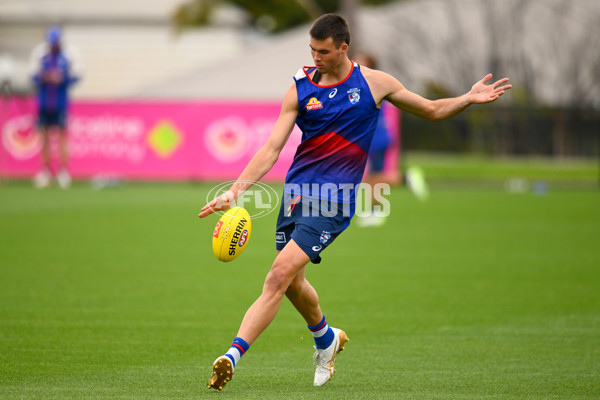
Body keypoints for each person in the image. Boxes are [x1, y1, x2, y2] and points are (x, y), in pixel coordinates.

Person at [199, 13, 511, 391]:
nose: (315, 57)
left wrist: (467, 98)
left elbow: (430, 110)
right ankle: (326, 339)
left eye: (323, 51)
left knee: (278, 275)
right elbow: (271, 147)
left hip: (333, 203)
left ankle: (231, 357)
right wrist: (237, 189)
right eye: (312, 50)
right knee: (294, 284)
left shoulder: (374, 83)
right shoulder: (300, 87)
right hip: (296, 197)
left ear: (343, 48)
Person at [30, 26, 82, 189]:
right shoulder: (40, 54)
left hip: (61, 102)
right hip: (44, 102)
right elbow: (32, 75)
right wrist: (43, 77)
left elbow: (78, 76)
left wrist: (62, 78)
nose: (54, 45)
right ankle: (45, 171)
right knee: (44, 137)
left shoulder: (68, 55)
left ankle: (63, 172)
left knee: (62, 136)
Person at [353, 52, 394, 227]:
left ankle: (375, 212)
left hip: (376, 138)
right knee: (371, 177)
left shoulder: (369, 84)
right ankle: (373, 212)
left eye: (359, 62)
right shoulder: (368, 84)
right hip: (374, 138)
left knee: (373, 177)